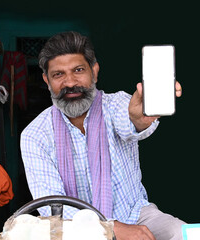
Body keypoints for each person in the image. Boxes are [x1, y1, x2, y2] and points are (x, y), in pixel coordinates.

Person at [20, 31, 184, 240]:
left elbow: (129, 122)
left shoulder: (116, 105)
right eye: (58, 74)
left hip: (135, 216)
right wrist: (108, 228)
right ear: (46, 80)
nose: (70, 83)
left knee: (182, 233)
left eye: (78, 70)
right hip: (73, 230)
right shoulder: (35, 135)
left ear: (94, 71)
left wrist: (139, 119)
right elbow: (53, 208)